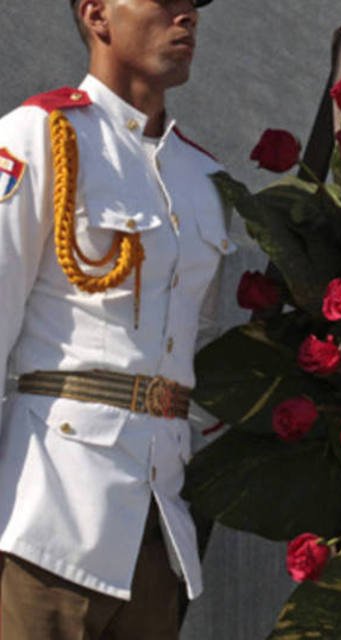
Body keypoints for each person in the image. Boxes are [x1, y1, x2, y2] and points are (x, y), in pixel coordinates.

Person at [0, 0, 230, 637]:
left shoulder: (202, 178)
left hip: (159, 523)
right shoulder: (38, 136)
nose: (186, 19)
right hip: (48, 520)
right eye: (166, 4)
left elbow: (198, 344)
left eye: (193, 9)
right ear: (97, 14)